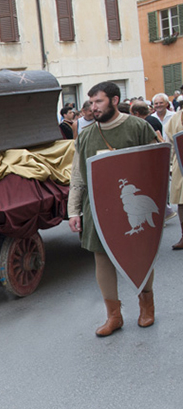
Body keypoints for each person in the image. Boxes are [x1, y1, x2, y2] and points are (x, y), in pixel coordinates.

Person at [68, 81, 158, 337]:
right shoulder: (85, 135)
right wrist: (73, 210)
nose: (93, 108)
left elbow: (157, 163)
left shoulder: (138, 126)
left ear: (115, 100)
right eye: (92, 103)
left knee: (140, 253)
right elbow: (78, 176)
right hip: (98, 206)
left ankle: (146, 305)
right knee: (102, 257)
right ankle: (114, 316)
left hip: (133, 206)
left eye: (99, 102)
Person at [164, 111, 183, 250]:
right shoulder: (176, 117)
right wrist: (169, 164)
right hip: (180, 163)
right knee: (181, 201)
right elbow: (170, 143)